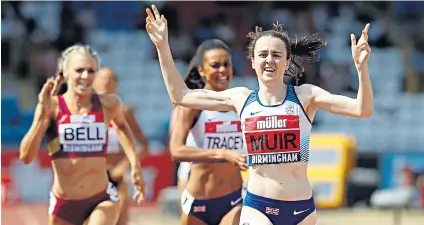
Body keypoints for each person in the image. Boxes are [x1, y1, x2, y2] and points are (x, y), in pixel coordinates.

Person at [145, 5, 373, 225]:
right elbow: (180, 96)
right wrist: (162, 47)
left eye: (276, 54)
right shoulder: (241, 99)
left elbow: (362, 110)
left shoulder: (306, 96)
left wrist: (361, 69)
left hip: (301, 208)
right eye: (262, 54)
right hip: (258, 206)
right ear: (252, 62)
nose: (269, 60)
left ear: (287, 62)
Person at [19, 45, 146, 225]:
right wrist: (41, 117)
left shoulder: (109, 104)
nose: (86, 76)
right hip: (64, 203)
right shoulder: (53, 107)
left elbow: (122, 128)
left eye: (91, 71)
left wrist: (134, 164)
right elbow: (25, 156)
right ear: (65, 72)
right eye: (79, 70)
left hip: (101, 198)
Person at [169, 39, 248, 225]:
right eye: (215, 65)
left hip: (234, 198)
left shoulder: (241, 103)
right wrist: (222, 153)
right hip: (199, 200)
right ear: (202, 70)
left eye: (226, 64)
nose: (222, 70)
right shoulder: (191, 105)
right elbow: (176, 150)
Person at [93, 67, 150, 225]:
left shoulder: (124, 111)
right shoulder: (86, 111)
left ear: (116, 84)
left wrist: (125, 165)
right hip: (93, 175)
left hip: (117, 177)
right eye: (103, 79)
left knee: (120, 220)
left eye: (111, 79)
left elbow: (144, 145)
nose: (106, 82)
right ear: (94, 82)